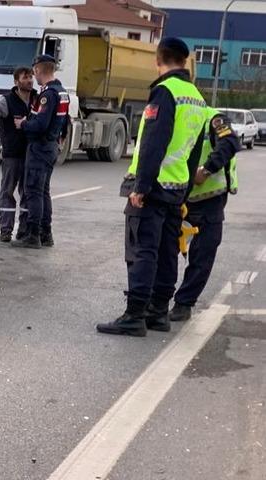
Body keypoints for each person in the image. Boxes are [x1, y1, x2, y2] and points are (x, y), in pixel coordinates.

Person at [97, 37, 208, 337]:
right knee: (166, 250)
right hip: (176, 188)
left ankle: (134, 315)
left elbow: (152, 144)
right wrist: (184, 190)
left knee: (142, 249)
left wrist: (140, 188)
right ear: (185, 61)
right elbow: (195, 151)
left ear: (158, 59)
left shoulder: (164, 92)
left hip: (153, 186)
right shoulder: (197, 96)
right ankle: (159, 312)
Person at [166, 108, 240, 322]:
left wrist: (207, 170)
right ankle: (159, 299)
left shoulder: (213, 118)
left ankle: (184, 303)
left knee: (203, 252)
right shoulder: (177, 115)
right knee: (165, 249)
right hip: (178, 193)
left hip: (209, 197)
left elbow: (230, 143)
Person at [11, 55, 69, 249]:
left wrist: (23, 123)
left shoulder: (48, 95)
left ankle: (33, 235)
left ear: (38, 70)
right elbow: (66, 121)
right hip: (51, 146)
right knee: (44, 192)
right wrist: (60, 137)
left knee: (33, 191)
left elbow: (41, 124)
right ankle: (46, 234)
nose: (33, 75)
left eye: (34, 71)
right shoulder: (62, 92)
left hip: (40, 147)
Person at [0, 66, 37, 242]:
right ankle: (6, 230)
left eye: (31, 77)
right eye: (25, 77)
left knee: (28, 193)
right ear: (16, 81)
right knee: (7, 192)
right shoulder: (6, 101)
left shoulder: (37, 99)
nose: (29, 80)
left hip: (31, 154)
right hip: (12, 155)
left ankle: (24, 230)